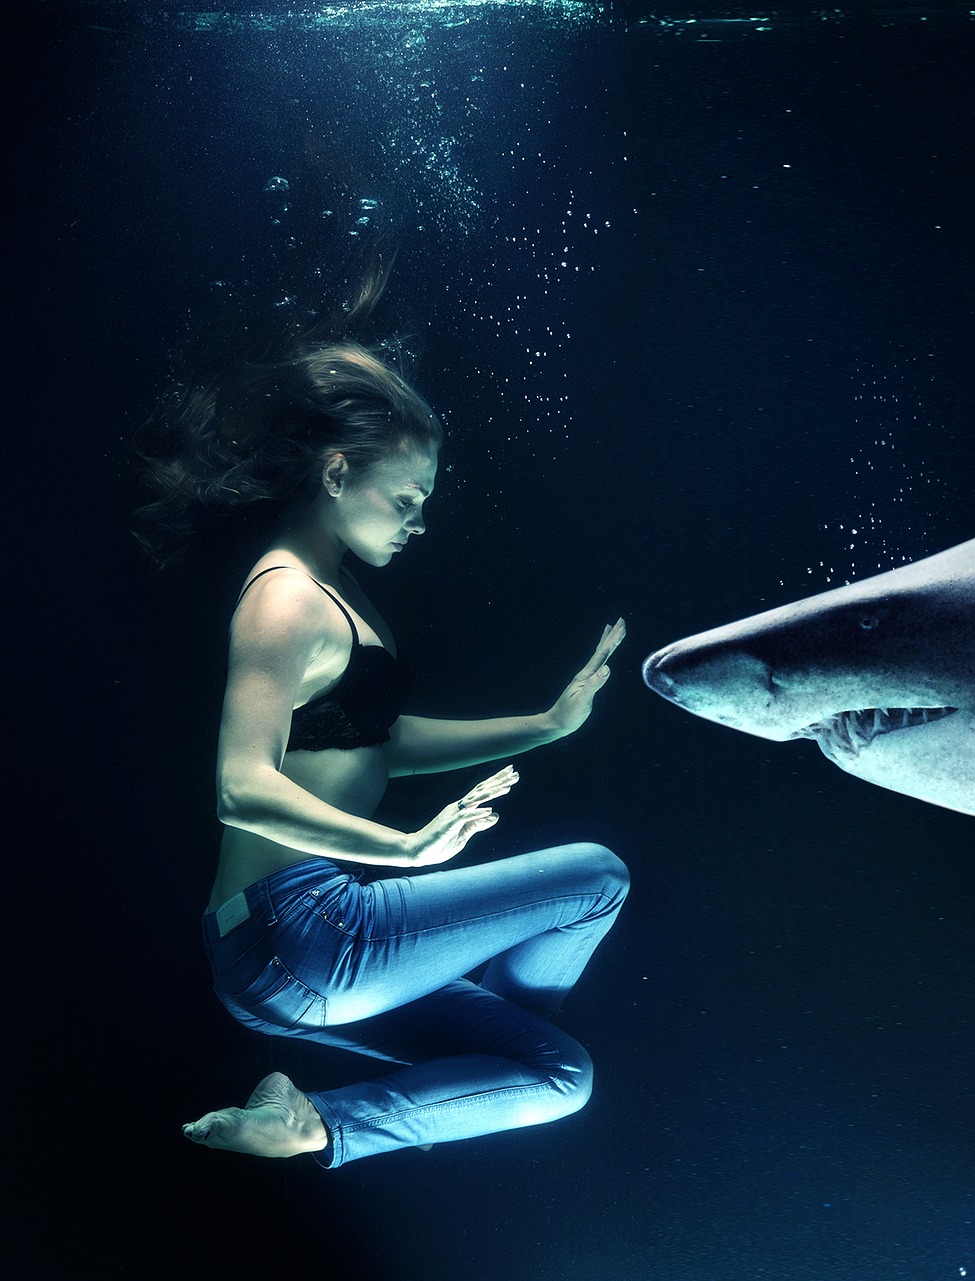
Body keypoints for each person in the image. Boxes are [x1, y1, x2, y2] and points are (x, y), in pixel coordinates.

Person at [136, 333, 630, 1166]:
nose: (420, 519)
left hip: (283, 963)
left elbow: (378, 745)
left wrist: (545, 723)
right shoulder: (285, 598)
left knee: (557, 1074)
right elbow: (239, 784)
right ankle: (459, 1041)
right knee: (597, 876)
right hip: (302, 931)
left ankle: (318, 1122)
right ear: (337, 474)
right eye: (406, 497)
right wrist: (403, 847)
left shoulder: (340, 595)